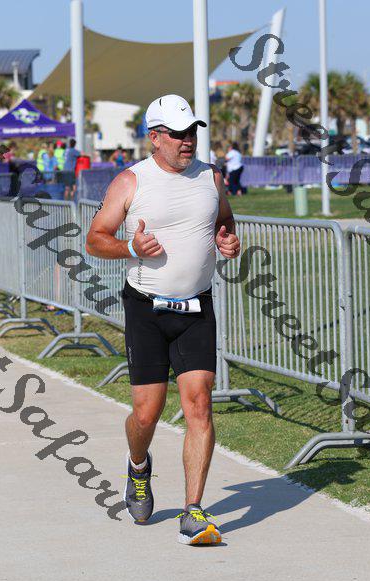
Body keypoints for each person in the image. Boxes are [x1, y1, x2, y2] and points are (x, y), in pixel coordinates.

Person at [85, 94, 240, 545]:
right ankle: (138, 466)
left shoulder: (211, 178)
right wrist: (130, 248)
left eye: (192, 132)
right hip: (146, 309)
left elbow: (225, 222)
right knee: (146, 413)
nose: (187, 140)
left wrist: (229, 242)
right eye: (177, 133)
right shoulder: (131, 181)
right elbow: (95, 239)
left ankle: (193, 510)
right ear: (155, 137)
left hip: (196, 307)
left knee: (200, 404)